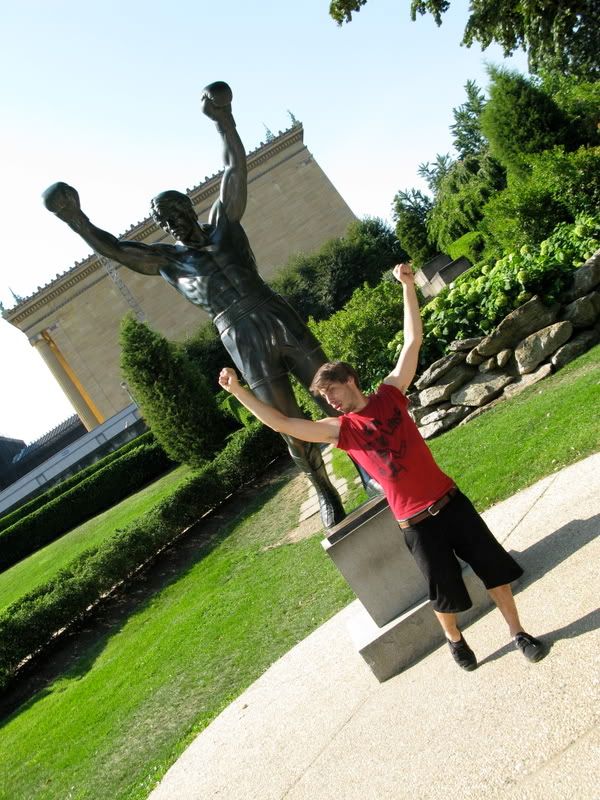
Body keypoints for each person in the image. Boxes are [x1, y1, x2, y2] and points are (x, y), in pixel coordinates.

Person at [42, 81, 353, 529]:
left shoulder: (224, 223)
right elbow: (115, 249)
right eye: (164, 220)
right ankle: (324, 490)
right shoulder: (169, 262)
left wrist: (223, 117)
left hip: (273, 312)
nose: (172, 223)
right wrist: (75, 217)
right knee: (287, 422)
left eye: (175, 212)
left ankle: (370, 467)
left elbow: (234, 168)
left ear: (189, 208)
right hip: (240, 336)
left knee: (334, 395)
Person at [218, 262, 546, 671]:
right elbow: (284, 424)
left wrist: (407, 285)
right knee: (444, 595)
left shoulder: (390, 394)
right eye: (324, 397)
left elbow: (412, 341)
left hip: (451, 502)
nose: (330, 401)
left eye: (332, 391)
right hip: (417, 525)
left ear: (350, 380)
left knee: (494, 570)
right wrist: (239, 391)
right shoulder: (341, 430)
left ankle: (518, 633)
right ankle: (454, 638)